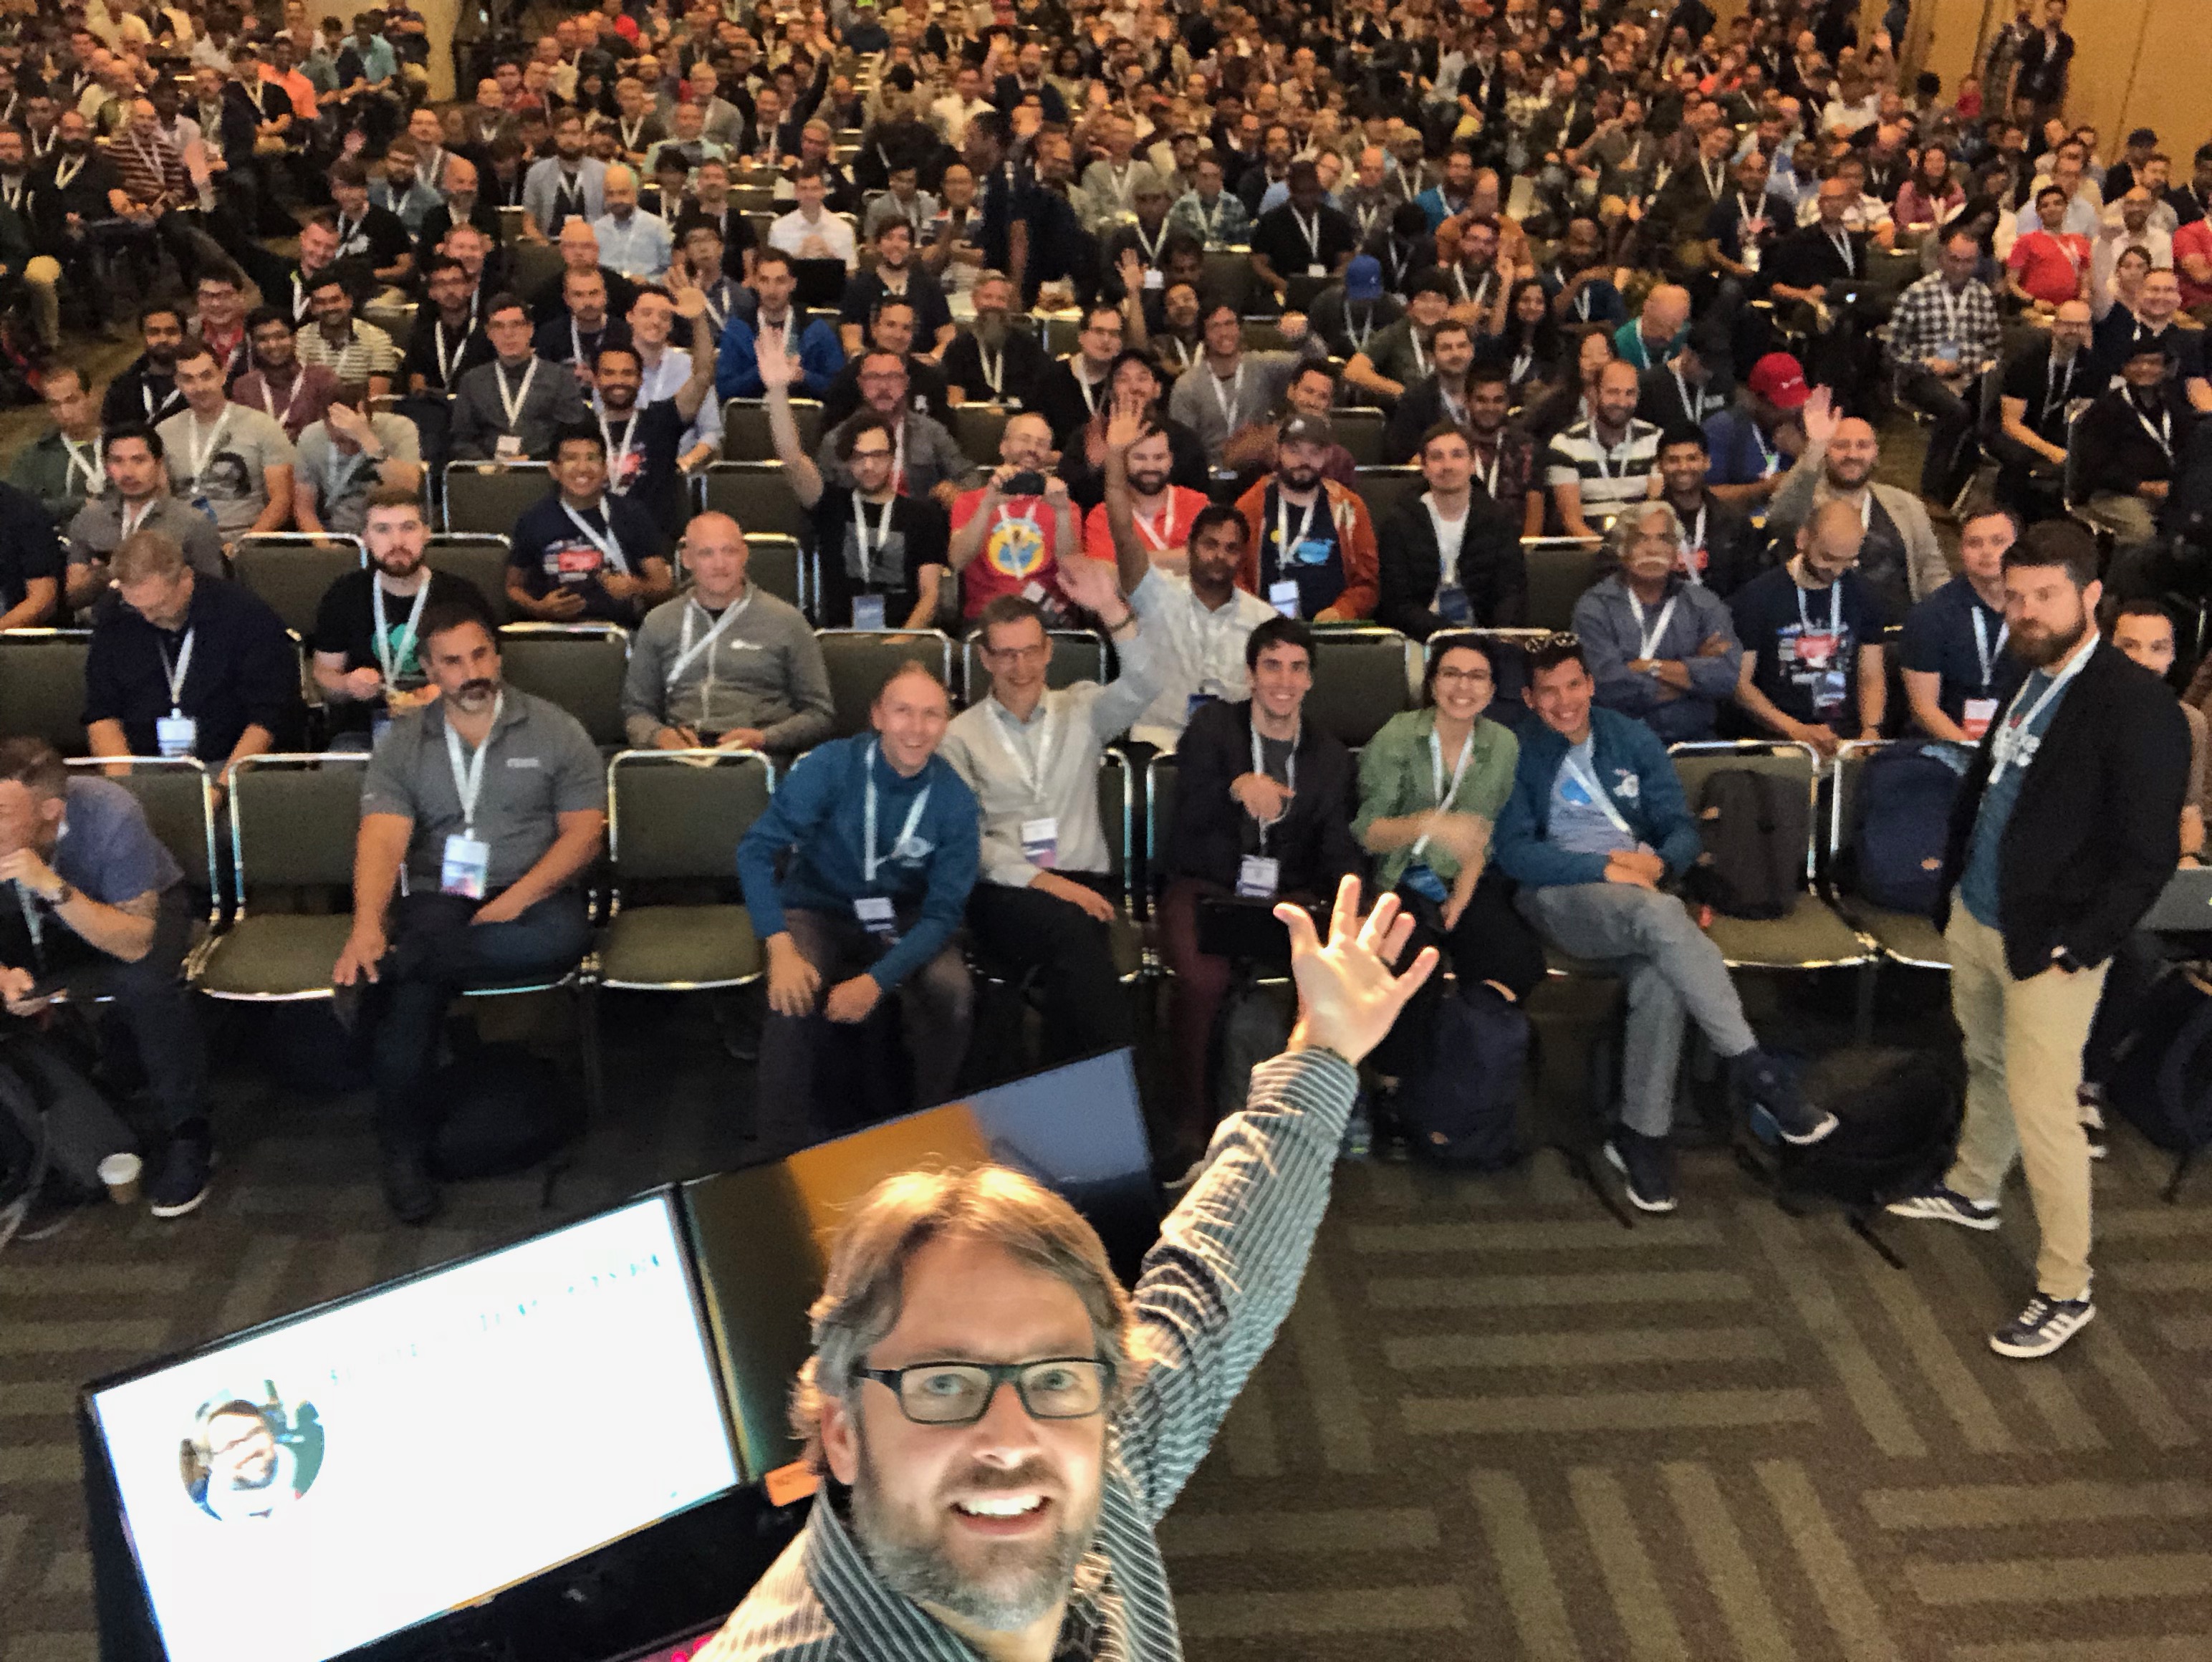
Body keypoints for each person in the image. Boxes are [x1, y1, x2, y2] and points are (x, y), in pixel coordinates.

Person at [696, 864, 1433, 1660]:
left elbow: (1215, 1290)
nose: (1012, 1441)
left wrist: (1323, 1049)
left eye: (1055, 1377)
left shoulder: (1094, 1472)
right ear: (839, 1434)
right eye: (944, 1382)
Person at [1888, 522, 2188, 1358]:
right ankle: (1974, 1185)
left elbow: (2147, 856)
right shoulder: (2030, 672)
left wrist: (2081, 945)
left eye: (2045, 595)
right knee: (1982, 1058)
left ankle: (2066, 1285)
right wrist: (1955, 892)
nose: (2026, 611)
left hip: (2050, 944)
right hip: (1982, 916)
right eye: (2015, 596)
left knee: (2046, 1110)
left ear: (2092, 596)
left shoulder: (2135, 705)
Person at [1494, 639, 1837, 1212]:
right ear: (1529, 698)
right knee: (1662, 916)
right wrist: (1607, 867)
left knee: (1661, 977)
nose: (1563, 702)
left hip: (1643, 896)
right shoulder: (1515, 751)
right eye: (1548, 692)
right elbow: (1516, 853)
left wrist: (1661, 862)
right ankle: (1757, 1072)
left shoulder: (1630, 738)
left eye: (1573, 685)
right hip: (1560, 896)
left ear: (1591, 684)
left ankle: (1642, 1135)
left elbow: (1679, 827)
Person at [332, 601, 606, 1223]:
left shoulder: (555, 729)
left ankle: (412, 964)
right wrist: (368, 925)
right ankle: (402, 1151)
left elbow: (584, 836)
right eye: (452, 662)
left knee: (555, 940)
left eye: (480, 655)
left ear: (498, 657)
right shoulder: (406, 741)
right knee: (413, 994)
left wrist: (514, 900)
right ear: (429, 670)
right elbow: (382, 838)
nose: (470, 670)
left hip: (536, 894)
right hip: (443, 898)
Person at [737, 661, 978, 1155]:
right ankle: (778, 1151)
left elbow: (943, 914)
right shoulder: (830, 766)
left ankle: (928, 1129)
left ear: (946, 723)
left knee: (952, 991)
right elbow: (755, 852)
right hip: (817, 905)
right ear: (877, 716)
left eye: (931, 715)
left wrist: (877, 980)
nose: (916, 728)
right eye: (903, 712)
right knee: (791, 993)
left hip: (904, 915)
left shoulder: (954, 799)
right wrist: (779, 946)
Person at [1156, 618, 1362, 1166]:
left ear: (1311, 680)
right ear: (1250, 674)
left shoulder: (1330, 756)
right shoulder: (1212, 730)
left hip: (1286, 894)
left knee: (1327, 973)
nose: (1284, 680)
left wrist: (1349, 909)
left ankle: (1301, 1125)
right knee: (1202, 980)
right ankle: (1191, 1122)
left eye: (1297, 668)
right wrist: (1234, 788)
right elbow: (1183, 829)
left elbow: (1340, 850)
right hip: (1207, 885)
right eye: (1272, 665)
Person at [940, 570, 1157, 1065]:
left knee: (1071, 969)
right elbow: (969, 843)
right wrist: (1046, 883)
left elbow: (1147, 682)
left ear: (1049, 651)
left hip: (1083, 882)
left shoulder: (1082, 710)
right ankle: (1130, 1098)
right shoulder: (960, 736)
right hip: (1005, 891)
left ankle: (1057, 1102)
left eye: (1031, 651)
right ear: (985, 658)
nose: (1021, 667)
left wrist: (1112, 612)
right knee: (1073, 935)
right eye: (1007, 655)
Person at [0, 736, 213, 1216]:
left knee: (144, 985)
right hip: (35, 919)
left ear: (50, 810)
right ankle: (47, 1135)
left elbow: (134, 940)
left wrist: (51, 887)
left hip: (135, 910)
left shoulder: (110, 813)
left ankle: (190, 1132)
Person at [1352, 636, 1546, 1089]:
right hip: (1400, 877)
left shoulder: (1502, 744)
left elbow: (1483, 833)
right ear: (1433, 683)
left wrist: (1461, 896)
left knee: (1516, 961)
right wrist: (1428, 824)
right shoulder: (1399, 734)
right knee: (1416, 962)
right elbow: (1368, 832)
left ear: (1493, 687)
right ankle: (1390, 1082)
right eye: (1451, 674)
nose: (1464, 686)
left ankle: (1464, 1066)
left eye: (1477, 676)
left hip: (1467, 878)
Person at [761, 339, 949, 630]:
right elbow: (792, 458)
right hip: (839, 639)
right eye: (859, 457)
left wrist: (898, 644)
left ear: (892, 457)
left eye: (877, 456)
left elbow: (930, 597)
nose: (869, 465)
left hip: (905, 640)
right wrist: (776, 391)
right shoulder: (831, 505)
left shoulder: (924, 516)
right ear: (848, 462)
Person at [619, 510, 833, 759]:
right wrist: (659, 736)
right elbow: (636, 711)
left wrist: (765, 738)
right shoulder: (659, 622)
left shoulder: (787, 621)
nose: (720, 565)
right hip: (680, 754)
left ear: (744, 554)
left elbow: (819, 714)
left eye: (729, 551)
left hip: (759, 756)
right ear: (687, 560)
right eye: (706, 553)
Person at [82, 529, 300, 772]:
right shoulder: (115, 615)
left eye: (159, 605)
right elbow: (102, 713)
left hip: (227, 763)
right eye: (136, 607)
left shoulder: (244, 614)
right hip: (143, 762)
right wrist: (123, 785)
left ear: (186, 579)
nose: (147, 616)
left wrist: (221, 789)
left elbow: (267, 718)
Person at [310, 486, 489, 749]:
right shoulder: (344, 594)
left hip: (449, 724)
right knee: (340, 778)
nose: (397, 542)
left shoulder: (461, 595)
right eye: (382, 530)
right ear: (366, 538)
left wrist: (447, 692)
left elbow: (490, 673)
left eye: (408, 527)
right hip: (364, 732)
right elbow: (324, 674)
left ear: (426, 533)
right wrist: (347, 684)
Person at [1766, 390, 1948, 625]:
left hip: (1899, 633)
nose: (1852, 454)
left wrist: (1945, 620)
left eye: (1862, 446)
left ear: (1876, 454)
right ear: (1826, 452)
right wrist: (1814, 449)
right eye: (1841, 445)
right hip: (1825, 633)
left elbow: (1932, 571)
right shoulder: (1805, 500)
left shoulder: (1906, 505)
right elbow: (1779, 522)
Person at [1573, 501, 1745, 744]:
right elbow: (1604, 687)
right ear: (1622, 551)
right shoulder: (1595, 607)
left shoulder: (1703, 603)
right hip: (1618, 744)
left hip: (1694, 741)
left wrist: (1646, 666)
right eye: (1641, 540)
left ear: (1676, 552)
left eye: (1663, 539)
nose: (1652, 549)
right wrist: (1689, 680)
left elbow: (1726, 676)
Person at [1731, 499, 1888, 756]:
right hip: (1781, 736)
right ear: (1803, 539)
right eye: (1828, 558)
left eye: (1848, 561)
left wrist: (1871, 729)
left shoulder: (1863, 594)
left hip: (1845, 736)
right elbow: (1740, 685)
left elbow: (1871, 675)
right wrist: (1794, 729)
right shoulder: (1758, 597)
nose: (1836, 571)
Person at [506, 421, 675, 627]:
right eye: (570, 459)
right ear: (554, 469)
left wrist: (636, 587)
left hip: (619, 633)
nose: (582, 468)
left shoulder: (631, 514)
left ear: (605, 469)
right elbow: (513, 588)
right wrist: (540, 608)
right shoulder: (533, 520)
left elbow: (663, 586)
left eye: (592, 458)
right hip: (555, 636)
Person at [1375, 421, 1526, 639]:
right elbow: (1397, 605)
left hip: (1487, 638)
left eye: (1457, 455)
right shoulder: (1398, 523)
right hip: (1419, 638)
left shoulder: (1499, 520)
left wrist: (1494, 640)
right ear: (1424, 468)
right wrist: (1452, 636)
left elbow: (1511, 594)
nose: (1448, 466)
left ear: (1473, 464)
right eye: (1437, 457)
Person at [1889, 230, 2006, 506]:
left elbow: (1994, 346)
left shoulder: (1982, 296)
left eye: (1967, 261)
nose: (1960, 267)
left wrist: (1969, 363)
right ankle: (1931, 491)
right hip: (1922, 376)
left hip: (1968, 373)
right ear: (1942, 258)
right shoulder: (1917, 294)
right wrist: (1926, 365)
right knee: (1957, 411)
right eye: (1954, 260)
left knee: (1986, 414)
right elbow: (1893, 349)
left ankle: (1957, 490)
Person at [1901, 505, 2031, 744]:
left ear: (2019, 547)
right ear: (1961, 550)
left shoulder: (2035, 612)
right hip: (1944, 743)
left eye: (1998, 541)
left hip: (2020, 744)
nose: (1987, 552)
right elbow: (1923, 708)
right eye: (1975, 543)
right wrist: (1972, 751)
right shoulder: (1930, 615)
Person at [63, 426, 225, 616]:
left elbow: (214, 595)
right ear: (107, 467)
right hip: (102, 625)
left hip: (167, 623)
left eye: (139, 460)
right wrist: (109, 573)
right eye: (117, 461)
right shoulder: (90, 518)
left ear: (158, 463)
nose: (128, 472)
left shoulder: (192, 522)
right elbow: (73, 596)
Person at [1231, 416, 1379, 623]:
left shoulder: (1350, 508)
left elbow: (1368, 582)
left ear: (1327, 455)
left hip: (1330, 631)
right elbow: (1234, 572)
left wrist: (1343, 611)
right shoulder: (1251, 506)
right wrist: (1255, 613)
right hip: (1264, 628)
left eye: (1314, 452)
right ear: (1279, 451)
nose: (1303, 461)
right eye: (1294, 450)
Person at [943, 413, 1082, 628]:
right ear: (1003, 447)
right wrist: (988, 505)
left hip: (1046, 618)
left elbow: (1073, 571)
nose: (1032, 449)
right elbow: (958, 560)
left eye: (1041, 444)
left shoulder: (1064, 505)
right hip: (986, 616)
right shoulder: (970, 501)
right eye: (1024, 439)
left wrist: (1062, 513)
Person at [2073, 340, 2193, 561]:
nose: (2145, 369)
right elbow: (2094, 466)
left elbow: (2188, 452)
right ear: (2124, 368)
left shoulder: (2174, 406)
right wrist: (2141, 487)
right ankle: (2125, 589)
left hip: (2167, 490)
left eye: (2153, 363)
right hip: (2114, 493)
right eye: (2137, 363)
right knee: (2142, 532)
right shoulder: (2106, 409)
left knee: (2199, 521)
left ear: (2165, 369)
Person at [1166, 301, 1322, 466]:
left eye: (1229, 324)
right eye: (1215, 327)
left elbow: (1318, 364)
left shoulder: (1263, 367)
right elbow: (1182, 446)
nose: (1224, 333)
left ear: (1240, 329)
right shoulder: (1187, 386)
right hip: (1208, 476)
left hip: (1259, 471)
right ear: (1203, 335)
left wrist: (1304, 336)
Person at [449, 294, 591, 460]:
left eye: (516, 325)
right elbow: (461, 439)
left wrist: (532, 459)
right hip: (486, 473)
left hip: (543, 469)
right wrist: (485, 465)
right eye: (499, 326)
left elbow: (571, 434)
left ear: (530, 329)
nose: (508, 334)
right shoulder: (472, 381)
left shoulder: (561, 378)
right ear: (489, 333)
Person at [1994, 299, 2096, 515]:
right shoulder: (2027, 360)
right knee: (2019, 459)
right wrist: (2049, 450)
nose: (2073, 331)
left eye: (2080, 325)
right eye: (2067, 324)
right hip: (2012, 429)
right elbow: (2010, 423)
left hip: (2053, 429)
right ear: (2055, 325)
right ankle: (2006, 514)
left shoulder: (2089, 365)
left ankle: (2056, 515)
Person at [1544, 359, 1663, 539]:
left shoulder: (1656, 440)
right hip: (1588, 552)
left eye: (1630, 393)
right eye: (1613, 392)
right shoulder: (1565, 444)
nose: (1622, 402)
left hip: (1640, 546)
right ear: (1594, 393)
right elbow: (1571, 522)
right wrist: (1602, 554)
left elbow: (1655, 509)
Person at [715, 247, 845, 399]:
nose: (772, 290)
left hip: (802, 417)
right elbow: (724, 389)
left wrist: (803, 376)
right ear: (755, 283)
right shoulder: (737, 330)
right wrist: (763, 371)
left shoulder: (817, 331)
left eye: (780, 281)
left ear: (793, 284)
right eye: (764, 280)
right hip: (752, 418)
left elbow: (839, 389)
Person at [1653, 426, 1763, 597]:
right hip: (1662, 617)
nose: (1683, 467)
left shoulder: (1735, 522)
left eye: (1692, 458)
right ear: (1659, 466)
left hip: (1722, 615)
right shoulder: (1644, 524)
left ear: (1707, 462)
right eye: (1673, 460)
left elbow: (1750, 586)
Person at [9, 366, 111, 532]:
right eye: (55, 405)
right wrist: (76, 504)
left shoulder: (124, 441)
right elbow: (13, 506)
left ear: (91, 396)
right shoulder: (35, 458)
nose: (65, 412)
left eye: (72, 401)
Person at [1382, 316, 1481, 465]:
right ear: (1430, 357)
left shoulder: (1489, 393)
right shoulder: (1414, 401)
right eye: (1446, 348)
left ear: (1472, 351)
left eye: (1462, 346)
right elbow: (1406, 457)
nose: (1455, 354)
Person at [940, 270, 1049, 406]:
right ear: (975, 300)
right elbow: (955, 402)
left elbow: (1043, 391)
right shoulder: (958, 349)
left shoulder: (1029, 346)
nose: (994, 304)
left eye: (1001, 299)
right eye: (988, 297)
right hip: (974, 423)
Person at [232, 308, 341, 444]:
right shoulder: (244, 386)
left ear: (294, 338)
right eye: (262, 339)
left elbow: (335, 433)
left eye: (281, 337)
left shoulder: (322, 378)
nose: (273, 345)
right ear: (252, 344)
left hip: (313, 460)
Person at [102, 305, 190, 430]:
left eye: (171, 332)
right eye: (154, 332)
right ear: (142, 337)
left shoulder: (201, 382)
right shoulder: (122, 388)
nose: (163, 339)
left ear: (184, 335)